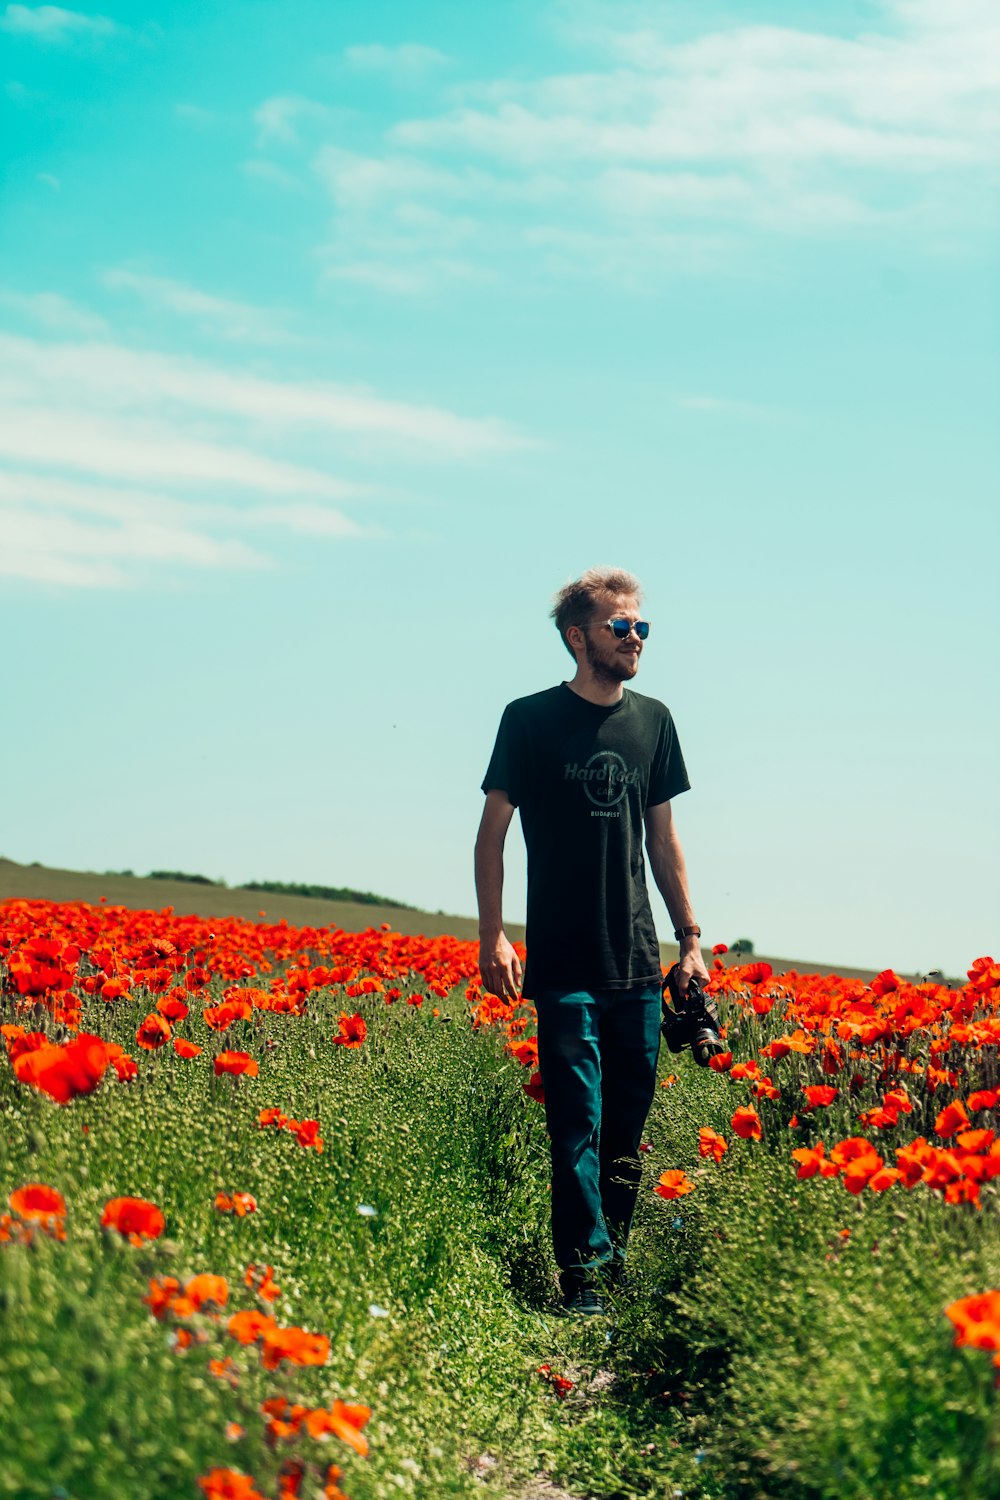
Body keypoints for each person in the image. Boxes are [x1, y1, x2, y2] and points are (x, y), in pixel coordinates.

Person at [475, 566, 710, 1317]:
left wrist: (692, 941)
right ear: (579, 637)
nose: (635, 637)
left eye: (642, 626)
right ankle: (586, 1280)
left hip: (638, 964)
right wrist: (494, 937)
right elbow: (491, 836)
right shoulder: (528, 720)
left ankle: (611, 1263)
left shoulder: (655, 721)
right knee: (575, 1119)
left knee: (625, 1130)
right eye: (620, 626)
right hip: (564, 962)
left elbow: (663, 839)